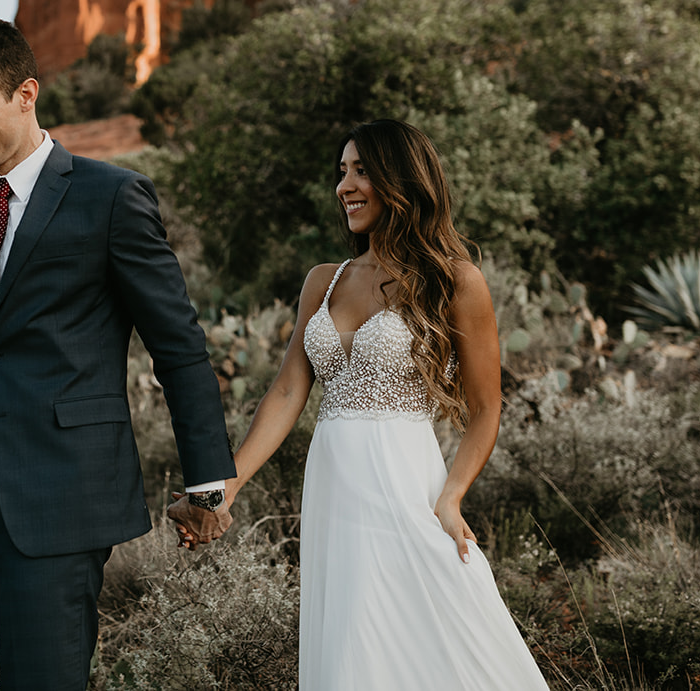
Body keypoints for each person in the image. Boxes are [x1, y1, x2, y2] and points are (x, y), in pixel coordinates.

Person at [0, 16, 236, 690]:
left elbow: (177, 344)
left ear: (26, 92)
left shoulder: (111, 196)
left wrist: (207, 480)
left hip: (58, 498)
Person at [171, 119, 550, 689]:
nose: (345, 185)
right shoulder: (324, 280)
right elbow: (287, 392)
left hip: (407, 484)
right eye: (341, 172)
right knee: (352, 641)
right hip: (333, 488)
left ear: (404, 179)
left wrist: (451, 497)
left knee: (439, 625)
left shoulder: (454, 281)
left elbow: (486, 407)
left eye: (362, 171)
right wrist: (227, 486)